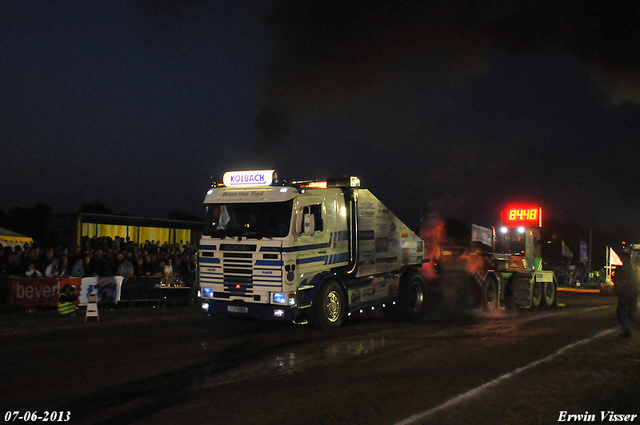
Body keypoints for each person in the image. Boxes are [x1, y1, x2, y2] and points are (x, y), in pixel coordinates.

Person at [615, 253, 640, 338]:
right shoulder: (636, 268)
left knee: (620, 312)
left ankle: (627, 332)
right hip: (636, 292)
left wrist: (618, 289)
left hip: (627, 292)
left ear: (624, 258)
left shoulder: (625, 267)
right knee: (632, 313)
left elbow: (625, 280)